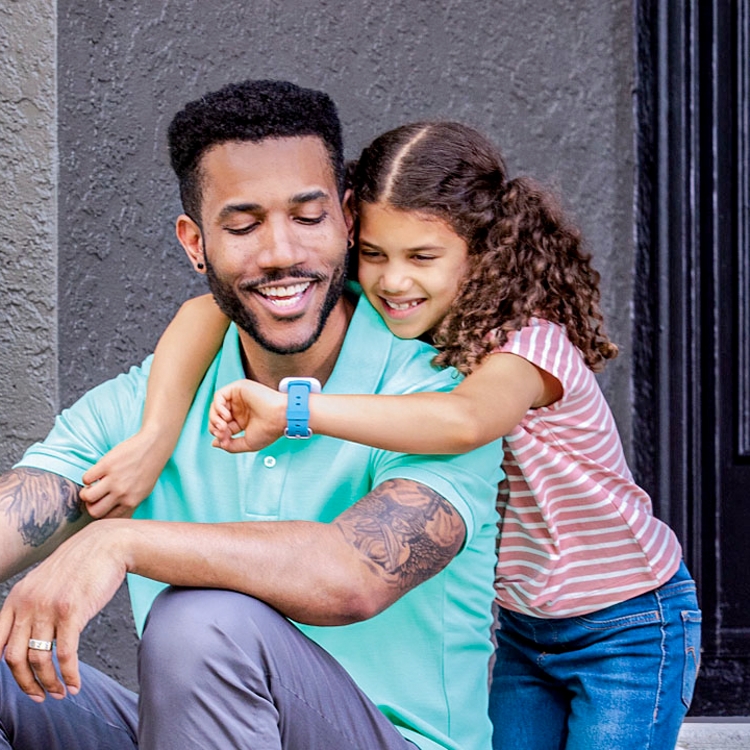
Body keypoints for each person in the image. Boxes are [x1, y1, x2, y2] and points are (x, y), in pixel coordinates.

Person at [89, 120, 702, 750]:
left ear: (483, 249)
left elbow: (464, 422)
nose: (392, 281)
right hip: (528, 626)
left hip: (626, 622)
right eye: (375, 254)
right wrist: (157, 433)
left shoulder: (526, 346)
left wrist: (295, 411)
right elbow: (206, 311)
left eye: (422, 257)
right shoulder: (420, 328)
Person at [0, 82, 505, 750]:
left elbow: (351, 576)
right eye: (241, 227)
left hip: (390, 740)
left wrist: (117, 541)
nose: (280, 253)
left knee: (201, 622)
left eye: (307, 217)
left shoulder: (435, 393)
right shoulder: (156, 401)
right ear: (194, 242)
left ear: (348, 219)